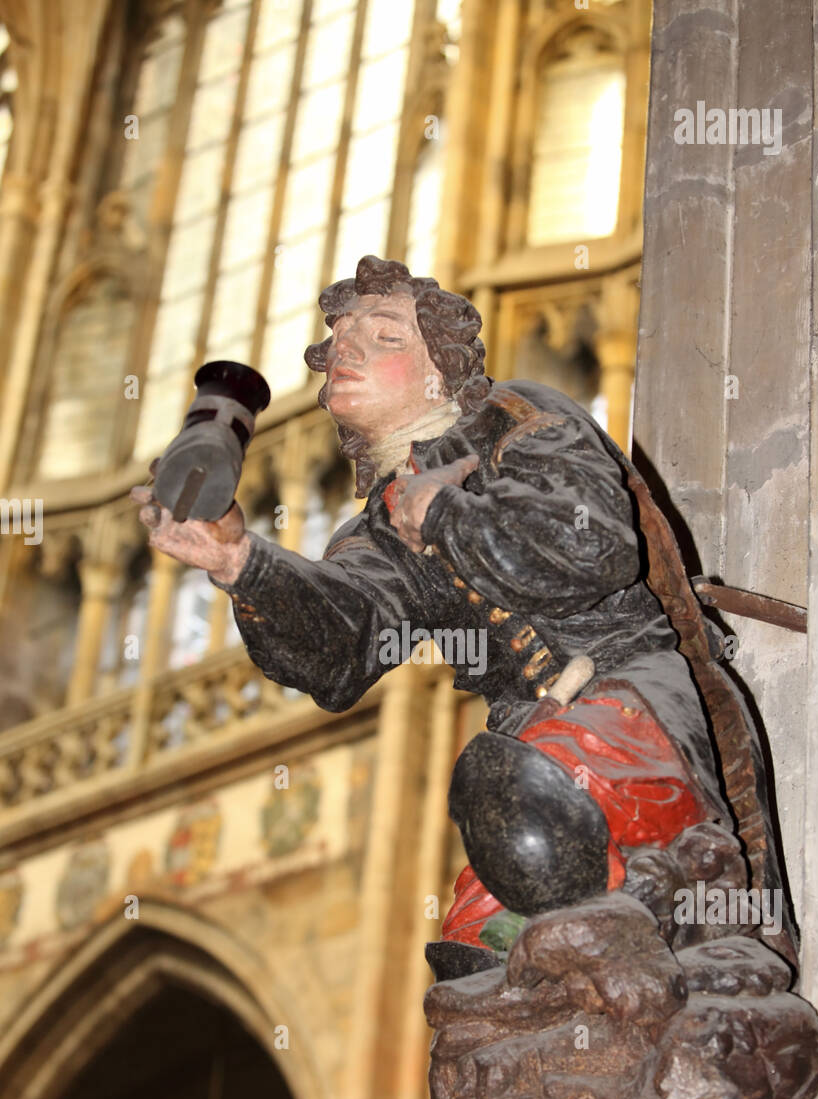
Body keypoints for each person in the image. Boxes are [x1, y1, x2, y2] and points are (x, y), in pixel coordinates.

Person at [133, 254, 737, 960]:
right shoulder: (379, 522)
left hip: (627, 692)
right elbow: (344, 644)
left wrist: (449, 512)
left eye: (385, 335)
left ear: (438, 369)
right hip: (527, 737)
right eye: (340, 340)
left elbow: (595, 545)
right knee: (475, 945)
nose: (347, 350)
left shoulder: (514, 418)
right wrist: (237, 560)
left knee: (538, 830)